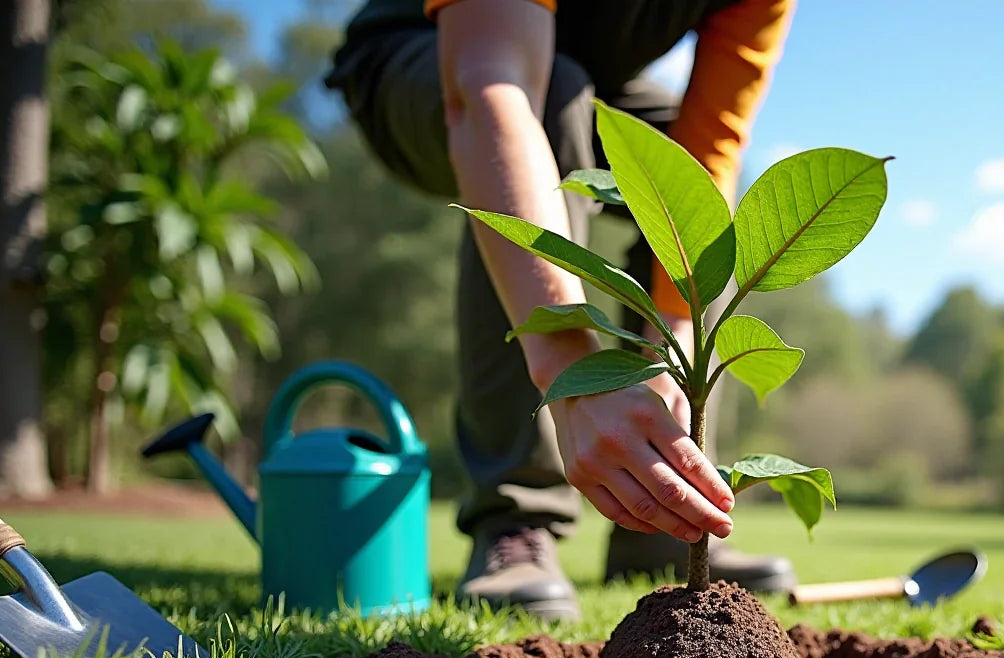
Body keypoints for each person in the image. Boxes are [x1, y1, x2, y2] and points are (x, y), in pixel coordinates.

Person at [326, 0, 799, 621]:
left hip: (578, 79)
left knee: (667, 164)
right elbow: (489, 91)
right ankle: (515, 517)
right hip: (419, 55)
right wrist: (571, 373)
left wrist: (672, 351)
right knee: (556, 98)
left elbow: (710, 151)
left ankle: (657, 523)